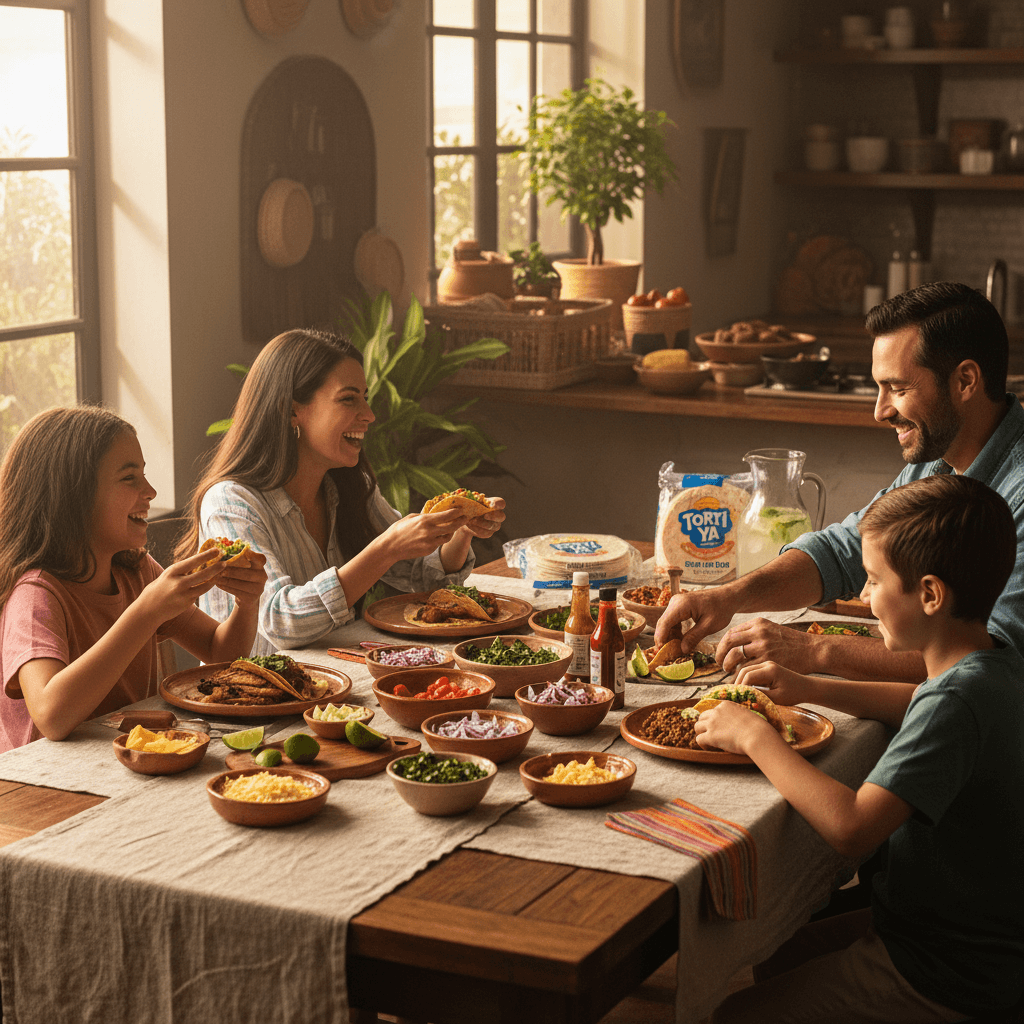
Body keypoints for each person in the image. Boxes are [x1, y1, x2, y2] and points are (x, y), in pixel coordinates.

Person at [701, 474, 1024, 1023]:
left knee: (732, 1015)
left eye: (874, 582)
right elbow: (920, 701)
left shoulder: (955, 702)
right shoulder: (993, 666)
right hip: (970, 936)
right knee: (777, 948)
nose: (865, 597)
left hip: (949, 968)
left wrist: (754, 736)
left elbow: (852, 827)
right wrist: (811, 689)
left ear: (929, 594)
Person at [656, 281, 1024, 683]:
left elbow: (992, 661)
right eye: (879, 388)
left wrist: (813, 650)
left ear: (966, 381)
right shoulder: (939, 456)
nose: (880, 411)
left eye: (898, 389)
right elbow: (844, 551)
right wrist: (728, 597)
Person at [176, 328, 505, 656]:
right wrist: (386, 548)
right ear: (292, 411)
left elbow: (424, 583)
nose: (369, 415)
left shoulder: (348, 486)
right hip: (255, 698)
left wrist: (459, 532)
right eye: (349, 399)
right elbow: (279, 620)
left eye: (366, 397)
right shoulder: (231, 502)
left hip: (342, 683)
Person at [0, 407, 268, 752]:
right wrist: (147, 612)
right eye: (130, 478)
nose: (151, 490)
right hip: (49, 785)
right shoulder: (35, 594)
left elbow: (221, 654)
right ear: (74, 496)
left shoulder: (135, 570)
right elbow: (52, 715)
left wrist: (246, 603)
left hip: (129, 760)